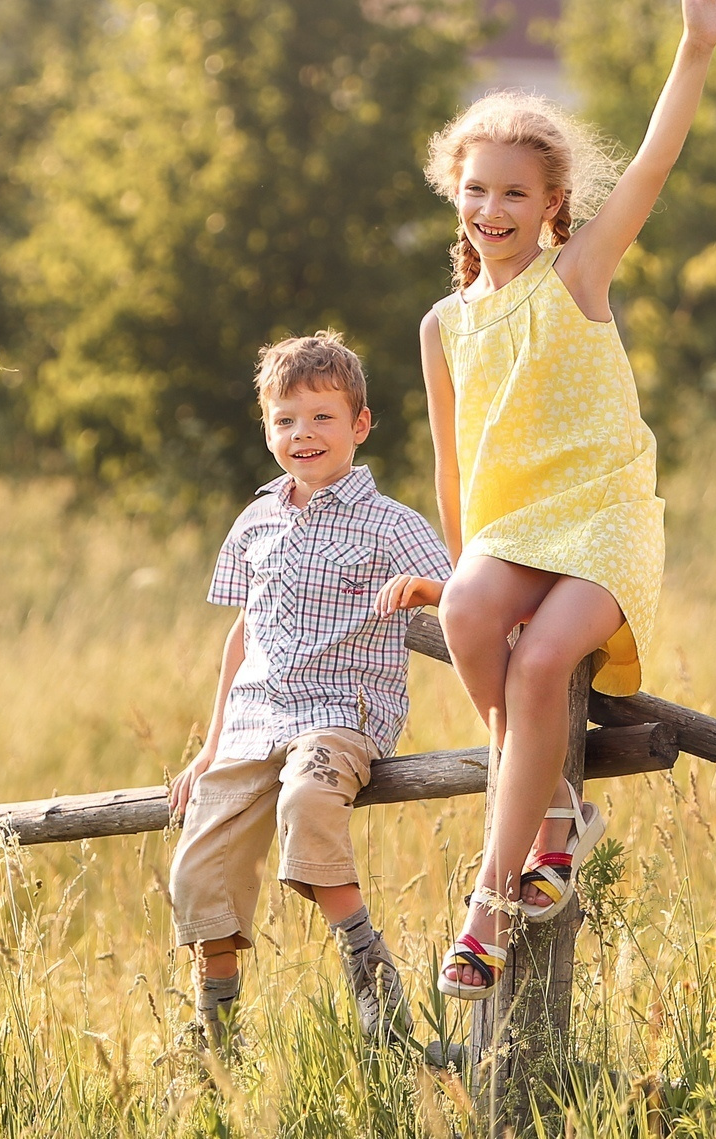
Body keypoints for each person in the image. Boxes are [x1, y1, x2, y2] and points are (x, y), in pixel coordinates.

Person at [375, 0, 716, 999]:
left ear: (551, 205)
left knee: (541, 663)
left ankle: (487, 908)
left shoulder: (575, 275)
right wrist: (459, 568)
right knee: (468, 615)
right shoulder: (443, 325)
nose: (491, 208)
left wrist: (695, 46)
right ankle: (555, 814)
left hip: (601, 519)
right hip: (512, 530)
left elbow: (655, 167)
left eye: (514, 193)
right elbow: (454, 465)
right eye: (475, 189)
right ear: (454, 195)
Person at [167, 333, 451, 1047]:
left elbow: (464, 595)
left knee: (307, 801)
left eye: (323, 417)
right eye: (286, 420)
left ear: (360, 425)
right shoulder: (256, 521)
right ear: (268, 430)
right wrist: (210, 747)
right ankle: (216, 1038)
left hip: (340, 714)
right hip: (254, 719)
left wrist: (425, 590)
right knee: (198, 865)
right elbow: (243, 633)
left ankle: (369, 974)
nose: (304, 434)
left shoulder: (391, 523)